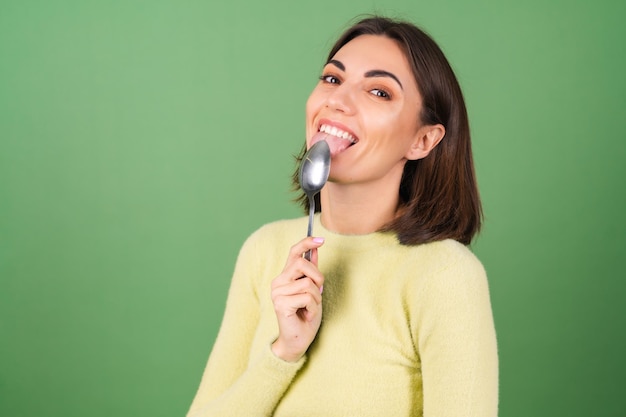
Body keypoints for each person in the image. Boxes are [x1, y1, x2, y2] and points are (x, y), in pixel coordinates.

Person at [187, 15, 498, 417]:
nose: (337, 100)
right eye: (333, 79)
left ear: (423, 140)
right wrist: (283, 353)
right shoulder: (265, 250)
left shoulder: (444, 275)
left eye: (379, 92)